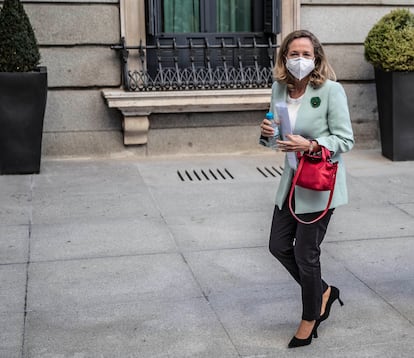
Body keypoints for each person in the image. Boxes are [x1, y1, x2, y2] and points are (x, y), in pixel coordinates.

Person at [260, 30, 354, 348]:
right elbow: (277, 140)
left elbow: (345, 139)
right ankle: (324, 291)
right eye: (294, 53)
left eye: (305, 54)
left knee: (305, 253)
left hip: (318, 184)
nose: (299, 59)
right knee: (278, 245)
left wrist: (312, 144)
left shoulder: (330, 91)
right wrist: (267, 132)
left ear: (316, 58)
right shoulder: (279, 88)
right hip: (291, 181)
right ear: (284, 57)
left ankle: (311, 316)